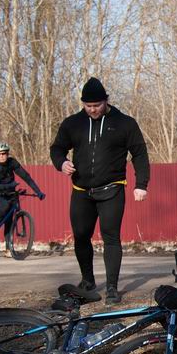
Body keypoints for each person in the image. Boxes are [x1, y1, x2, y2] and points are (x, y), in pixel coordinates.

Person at [49, 78, 149, 304]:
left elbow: (140, 154)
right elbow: (57, 148)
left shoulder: (125, 124)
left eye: (97, 105)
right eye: (88, 106)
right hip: (81, 190)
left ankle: (112, 287)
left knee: (110, 236)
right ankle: (88, 281)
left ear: (106, 101)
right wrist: (62, 162)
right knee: (81, 235)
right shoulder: (73, 123)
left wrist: (141, 184)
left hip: (112, 189)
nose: (92, 110)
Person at [0, 142, 45, 243]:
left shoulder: (12, 162)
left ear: (8, 153)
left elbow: (26, 177)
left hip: (10, 191)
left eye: (4, 153)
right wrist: (9, 186)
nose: (1, 156)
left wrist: (38, 191)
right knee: (5, 207)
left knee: (9, 218)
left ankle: (8, 248)